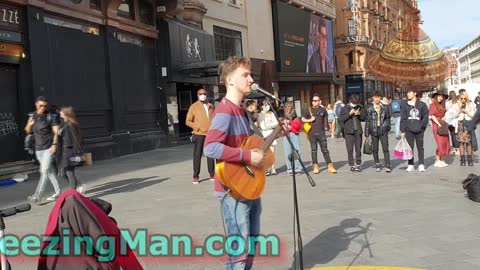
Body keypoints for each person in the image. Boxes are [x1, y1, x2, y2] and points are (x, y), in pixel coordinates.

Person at [204, 56, 264, 270]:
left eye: (251, 75)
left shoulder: (241, 111)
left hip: (248, 185)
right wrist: (248, 157)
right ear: (229, 80)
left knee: (251, 243)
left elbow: (246, 145)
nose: (250, 79)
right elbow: (210, 147)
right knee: (239, 250)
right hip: (232, 191)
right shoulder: (225, 111)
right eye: (245, 75)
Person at [24, 96, 62, 203]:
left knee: (44, 171)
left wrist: (54, 144)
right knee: (49, 172)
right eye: (40, 105)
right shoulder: (33, 117)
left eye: (45, 106)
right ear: (36, 104)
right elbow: (27, 131)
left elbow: (56, 132)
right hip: (38, 149)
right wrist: (30, 124)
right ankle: (58, 192)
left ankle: (37, 196)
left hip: (48, 148)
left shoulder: (51, 117)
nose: (42, 108)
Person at [186, 89, 216, 184]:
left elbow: (214, 118)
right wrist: (197, 127)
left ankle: (212, 174)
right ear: (197, 95)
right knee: (197, 155)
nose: (203, 95)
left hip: (210, 134)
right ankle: (196, 176)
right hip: (199, 134)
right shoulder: (194, 106)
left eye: (204, 94)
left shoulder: (211, 106)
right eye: (201, 94)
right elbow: (188, 121)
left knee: (210, 154)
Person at [302, 94, 337, 174]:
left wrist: (330, 129)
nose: (313, 102)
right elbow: (303, 119)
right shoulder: (308, 109)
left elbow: (326, 119)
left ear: (319, 101)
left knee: (325, 150)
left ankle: (330, 165)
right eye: (313, 100)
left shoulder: (323, 110)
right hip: (312, 133)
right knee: (314, 150)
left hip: (321, 133)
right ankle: (315, 166)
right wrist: (310, 119)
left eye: (315, 100)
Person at [57, 106, 86, 193]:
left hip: (69, 152)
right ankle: (79, 185)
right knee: (62, 174)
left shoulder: (70, 125)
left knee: (69, 172)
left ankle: (73, 191)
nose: (60, 113)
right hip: (63, 151)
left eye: (61, 112)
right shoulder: (64, 123)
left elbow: (75, 140)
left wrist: (76, 152)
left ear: (66, 114)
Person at [400, 89, 429, 172]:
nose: (408, 94)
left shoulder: (422, 105)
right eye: (407, 92)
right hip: (409, 130)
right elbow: (403, 118)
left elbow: (425, 116)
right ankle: (410, 164)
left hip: (419, 130)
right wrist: (402, 131)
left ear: (415, 93)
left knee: (420, 148)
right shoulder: (404, 105)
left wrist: (422, 126)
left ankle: (421, 164)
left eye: (410, 92)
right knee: (409, 148)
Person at [364, 91, 392, 172]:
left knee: (385, 148)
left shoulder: (385, 107)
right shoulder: (369, 108)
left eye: (378, 97)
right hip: (373, 130)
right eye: (375, 97)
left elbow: (388, 117)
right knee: (375, 149)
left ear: (380, 98)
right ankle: (377, 164)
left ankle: (387, 165)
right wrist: (366, 132)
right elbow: (368, 121)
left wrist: (388, 126)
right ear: (373, 98)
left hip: (383, 130)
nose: (376, 99)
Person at [338, 94, 365, 172]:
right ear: (350, 101)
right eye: (354, 103)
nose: (355, 104)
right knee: (350, 149)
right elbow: (340, 119)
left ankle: (358, 164)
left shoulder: (360, 107)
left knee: (358, 149)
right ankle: (352, 165)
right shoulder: (345, 108)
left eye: (356, 103)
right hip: (348, 131)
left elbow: (363, 118)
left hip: (358, 131)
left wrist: (359, 114)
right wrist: (349, 114)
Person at [453, 92, 476, 166]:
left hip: (468, 124)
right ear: (459, 98)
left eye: (465, 98)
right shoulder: (456, 105)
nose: (463, 100)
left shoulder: (471, 105)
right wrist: (459, 111)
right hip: (460, 124)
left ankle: (470, 159)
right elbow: (453, 116)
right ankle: (462, 159)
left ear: (467, 98)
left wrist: (467, 111)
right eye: (461, 98)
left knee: (469, 142)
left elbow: (473, 115)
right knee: (461, 142)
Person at [257, 100, 279, 175]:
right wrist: (271, 125)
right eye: (264, 105)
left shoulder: (271, 113)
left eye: (267, 104)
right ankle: (266, 169)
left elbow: (276, 123)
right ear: (261, 106)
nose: (266, 106)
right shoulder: (260, 115)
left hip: (272, 134)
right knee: (265, 153)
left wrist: (268, 126)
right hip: (264, 135)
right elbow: (262, 126)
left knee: (273, 152)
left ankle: (273, 168)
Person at [429, 91, 450, 167]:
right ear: (436, 97)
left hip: (443, 123)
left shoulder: (442, 105)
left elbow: (445, 114)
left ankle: (442, 159)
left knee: (445, 142)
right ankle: (437, 160)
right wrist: (438, 124)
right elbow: (432, 116)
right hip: (437, 125)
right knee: (440, 143)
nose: (440, 98)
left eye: (442, 97)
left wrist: (444, 118)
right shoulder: (432, 105)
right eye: (439, 96)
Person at [282, 101, 303, 175]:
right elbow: (283, 127)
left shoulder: (295, 116)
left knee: (297, 151)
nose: (288, 109)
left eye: (289, 107)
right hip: (286, 135)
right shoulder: (283, 116)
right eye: (286, 107)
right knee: (287, 152)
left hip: (294, 135)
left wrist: (290, 125)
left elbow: (298, 127)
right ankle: (290, 168)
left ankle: (298, 168)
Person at [445, 91, 460, 156]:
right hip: (456, 120)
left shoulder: (447, 103)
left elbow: (446, 110)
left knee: (452, 134)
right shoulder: (458, 102)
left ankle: (454, 148)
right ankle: (457, 148)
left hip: (449, 120)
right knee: (456, 134)